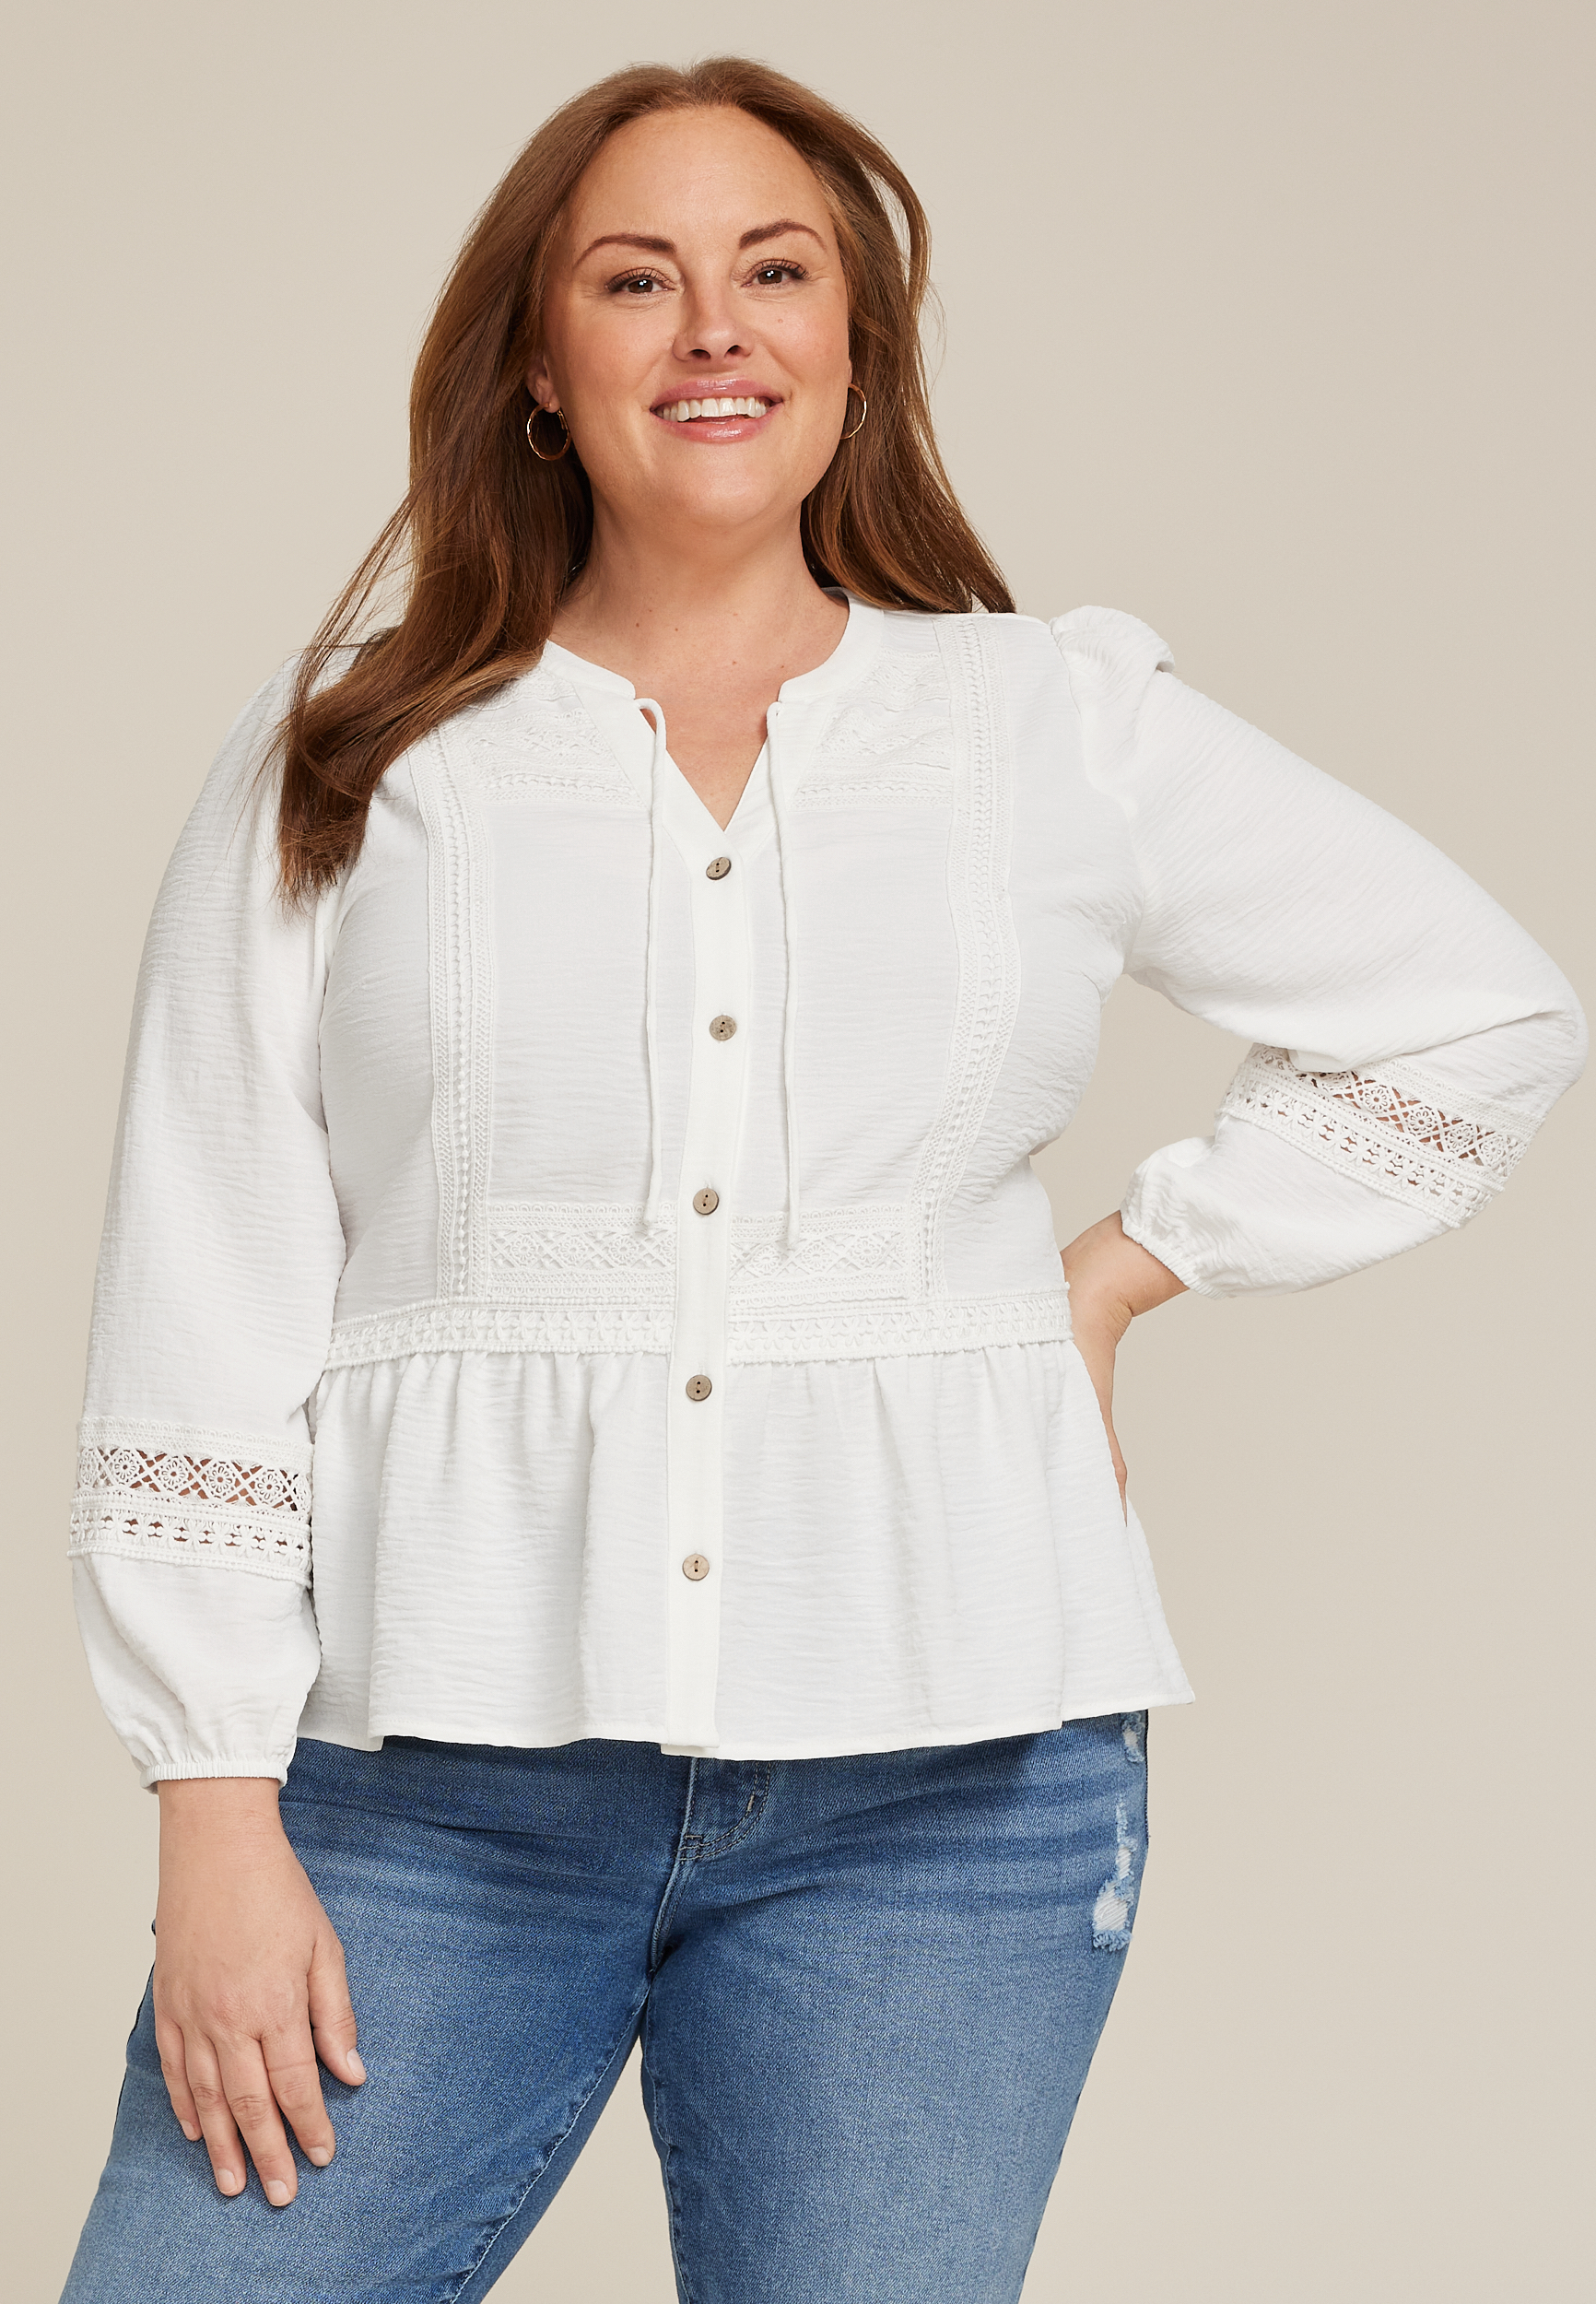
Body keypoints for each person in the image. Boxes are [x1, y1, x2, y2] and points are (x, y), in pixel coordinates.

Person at [60, 53, 1583, 2304]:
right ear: (536, 368)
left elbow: (1476, 1006)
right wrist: (208, 1797)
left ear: (853, 345)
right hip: (433, 1791)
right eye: (634, 279)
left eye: (773, 272)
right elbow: (208, 1277)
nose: (713, 327)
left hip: (951, 1798)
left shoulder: (1044, 725)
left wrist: (1111, 1275)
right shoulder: (357, 760)